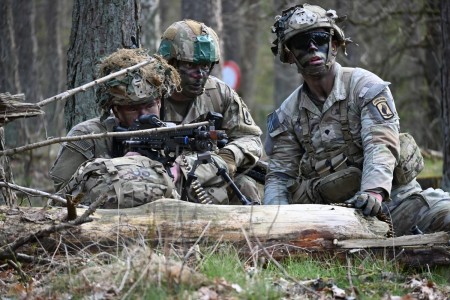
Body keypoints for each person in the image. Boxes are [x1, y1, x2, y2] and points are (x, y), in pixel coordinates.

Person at [264, 3, 450, 236]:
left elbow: (380, 144)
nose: (312, 47)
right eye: (301, 43)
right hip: (332, 217)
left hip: (397, 202)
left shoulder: (365, 87)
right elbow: (280, 176)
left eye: (319, 39)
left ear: (333, 44)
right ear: (289, 54)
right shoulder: (287, 114)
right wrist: (271, 223)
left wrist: (374, 191)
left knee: (445, 216)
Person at [50, 48, 181, 208]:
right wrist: (122, 168)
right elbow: (63, 195)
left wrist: (180, 169)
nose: (143, 115)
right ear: (115, 110)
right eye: (133, 109)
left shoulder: (171, 135)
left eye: (149, 105)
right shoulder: (87, 136)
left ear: (159, 102)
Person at [157, 19, 263, 205]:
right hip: (164, 179)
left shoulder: (219, 93)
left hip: (211, 177)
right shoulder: (149, 96)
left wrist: (230, 156)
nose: (200, 75)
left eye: (205, 66)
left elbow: (251, 139)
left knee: (245, 186)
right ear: (170, 63)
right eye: (190, 66)